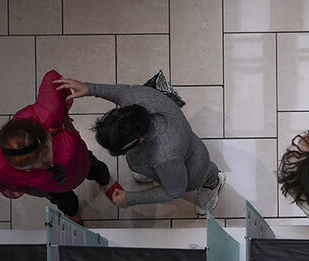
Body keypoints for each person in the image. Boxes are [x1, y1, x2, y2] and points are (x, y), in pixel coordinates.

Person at [52, 77, 224, 216]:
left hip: (192, 167)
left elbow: (174, 191)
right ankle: (157, 175)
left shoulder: (164, 156)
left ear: (139, 141)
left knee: (203, 174)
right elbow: (122, 93)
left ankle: (214, 183)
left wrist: (130, 198)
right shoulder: (137, 99)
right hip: (175, 154)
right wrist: (90, 88)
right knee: (163, 173)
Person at [0, 69, 112, 225]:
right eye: (30, 167)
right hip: (51, 187)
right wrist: (41, 192)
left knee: (93, 166)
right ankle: (73, 213)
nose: (46, 165)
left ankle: (105, 180)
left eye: (43, 156)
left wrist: (63, 115)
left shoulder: (48, 112)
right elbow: (14, 186)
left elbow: (51, 79)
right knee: (64, 201)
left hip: (79, 161)